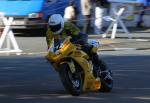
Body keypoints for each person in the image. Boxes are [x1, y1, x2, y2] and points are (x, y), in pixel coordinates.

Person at [46, 14, 112, 81]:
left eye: (56, 26)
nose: (54, 29)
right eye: (52, 27)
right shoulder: (49, 32)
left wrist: (81, 41)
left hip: (75, 42)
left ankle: (104, 70)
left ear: (62, 23)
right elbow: (50, 46)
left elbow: (81, 35)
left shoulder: (68, 25)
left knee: (90, 50)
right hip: (62, 48)